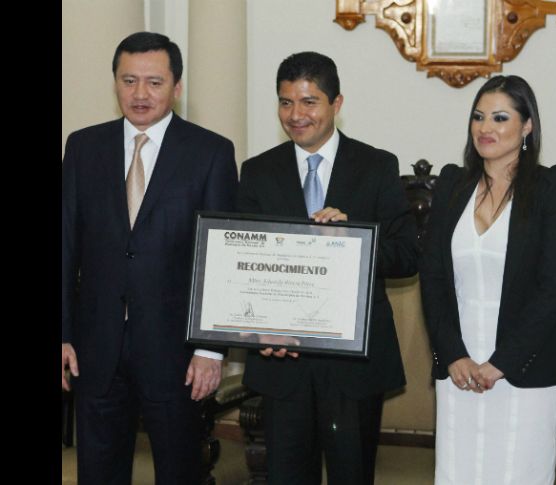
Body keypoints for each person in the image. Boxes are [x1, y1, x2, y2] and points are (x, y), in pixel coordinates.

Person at [61, 31, 238, 484]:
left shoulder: (211, 152)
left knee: (179, 472)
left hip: (176, 354)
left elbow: (219, 259)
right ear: (115, 83)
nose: (140, 94)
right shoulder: (83, 147)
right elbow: (65, 247)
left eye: (155, 82)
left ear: (177, 87)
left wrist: (209, 348)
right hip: (94, 349)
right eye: (129, 80)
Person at [237, 51, 418, 484]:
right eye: (285, 102)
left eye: (309, 102)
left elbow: (407, 255)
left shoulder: (377, 166)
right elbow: (244, 266)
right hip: (282, 362)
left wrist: (354, 239)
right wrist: (259, 330)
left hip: (352, 367)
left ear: (336, 104)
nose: (295, 115)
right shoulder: (258, 172)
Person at [419, 75, 556, 484]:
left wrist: (501, 364)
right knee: (459, 473)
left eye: (500, 117)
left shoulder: (550, 187)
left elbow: (553, 287)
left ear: (527, 126)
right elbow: (434, 278)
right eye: (478, 117)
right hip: (460, 368)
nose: (485, 128)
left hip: (523, 369)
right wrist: (452, 354)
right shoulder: (454, 183)